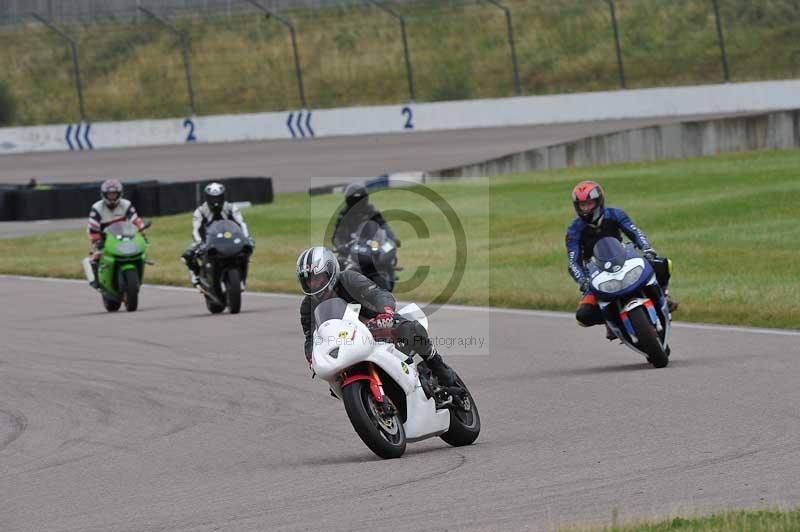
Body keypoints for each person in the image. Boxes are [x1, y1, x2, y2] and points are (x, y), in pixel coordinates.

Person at [296, 246, 456, 386]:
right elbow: (311, 338)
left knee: (410, 329)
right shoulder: (307, 306)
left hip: (377, 323)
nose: (313, 284)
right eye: (308, 281)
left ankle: (439, 368)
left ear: (330, 271)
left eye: (317, 278)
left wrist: (385, 311)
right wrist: (312, 358)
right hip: (347, 341)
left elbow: (378, 294)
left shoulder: (348, 279)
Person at [565, 180, 678, 339]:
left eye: (589, 204)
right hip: (596, 273)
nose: (586, 208)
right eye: (582, 205)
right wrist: (582, 279)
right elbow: (572, 261)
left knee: (663, 264)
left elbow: (635, 232)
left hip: (625, 259)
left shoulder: (616, 214)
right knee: (583, 316)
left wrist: (647, 249)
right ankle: (610, 322)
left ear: (599, 201)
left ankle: (664, 295)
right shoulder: (573, 230)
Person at [181, 182, 252, 287]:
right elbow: (195, 229)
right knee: (187, 256)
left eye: (218, 198)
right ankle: (196, 276)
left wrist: (246, 237)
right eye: (213, 198)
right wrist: (199, 243)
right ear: (207, 198)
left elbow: (242, 224)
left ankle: (242, 276)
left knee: (246, 249)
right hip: (206, 240)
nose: (216, 201)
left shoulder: (231, 208)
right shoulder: (200, 211)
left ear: (223, 197)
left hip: (229, 238)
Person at [86, 179, 145, 288]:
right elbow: (92, 226)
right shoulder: (97, 208)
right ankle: (97, 279)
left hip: (124, 233)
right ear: (104, 194)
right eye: (109, 194)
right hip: (103, 236)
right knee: (98, 255)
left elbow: (136, 221)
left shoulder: (126, 204)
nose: (112, 197)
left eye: (114, 194)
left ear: (119, 194)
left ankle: (137, 274)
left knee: (137, 252)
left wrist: (142, 234)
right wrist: (97, 240)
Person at [331, 183, 399, 257]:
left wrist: (392, 238)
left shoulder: (371, 210)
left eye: (360, 200)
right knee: (341, 263)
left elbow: (383, 225)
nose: (357, 203)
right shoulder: (344, 213)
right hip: (350, 248)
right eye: (354, 201)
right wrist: (340, 246)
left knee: (387, 259)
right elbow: (337, 235)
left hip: (371, 245)